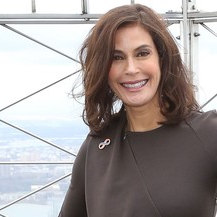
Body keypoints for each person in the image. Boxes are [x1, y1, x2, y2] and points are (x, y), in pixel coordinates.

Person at [58, 3, 217, 217]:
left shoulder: (209, 133)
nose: (131, 69)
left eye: (142, 53)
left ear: (162, 59)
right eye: (117, 57)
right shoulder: (96, 148)